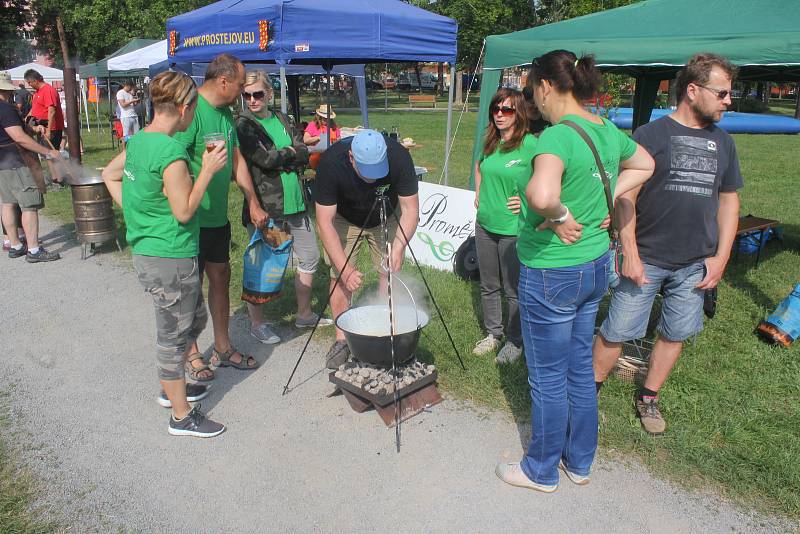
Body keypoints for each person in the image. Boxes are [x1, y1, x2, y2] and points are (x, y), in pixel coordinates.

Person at [495, 50, 654, 492]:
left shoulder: (556, 137)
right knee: (579, 369)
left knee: (547, 377)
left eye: (530, 92)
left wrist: (560, 214)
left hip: (552, 272)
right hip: (594, 266)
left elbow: (541, 193)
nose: (532, 100)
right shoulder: (605, 129)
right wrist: (609, 195)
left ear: (546, 86)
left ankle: (540, 470)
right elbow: (645, 164)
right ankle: (579, 462)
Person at [593, 53, 743, 435]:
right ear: (692, 91)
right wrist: (630, 252)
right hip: (647, 257)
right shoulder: (649, 136)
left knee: (675, 332)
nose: (729, 100)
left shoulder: (724, 143)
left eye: (730, 93)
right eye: (722, 92)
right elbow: (625, 197)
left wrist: (721, 257)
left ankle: (648, 397)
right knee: (617, 329)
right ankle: (587, 394)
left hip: (696, 263)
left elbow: (729, 201)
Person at [102, 71, 226, 437]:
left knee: (194, 320)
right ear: (186, 109)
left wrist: (139, 215)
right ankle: (181, 416)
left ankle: (174, 390)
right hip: (170, 256)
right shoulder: (171, 152)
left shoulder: (138, 141)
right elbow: (186, 211)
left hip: (151, 253)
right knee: (173, 335)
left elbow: (110, 175)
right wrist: (207, 170)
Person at [173, 53, 268, 380]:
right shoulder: (192, 111)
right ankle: (192, 352)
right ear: (224, 81)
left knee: (220, 276)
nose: (245, 91)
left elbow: (237, 160)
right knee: (189, 287)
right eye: (241, 85)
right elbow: (175, 161)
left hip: (216, 219)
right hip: (191, 219)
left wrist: (252, 200)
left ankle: (223, 347)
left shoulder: (226, 113)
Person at [236, 69, 334, 342]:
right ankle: (258, 323)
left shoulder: (280, 117)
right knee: (265, 265)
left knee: (311, 256)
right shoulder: (244, 125)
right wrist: (291, 152)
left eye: (257, 94)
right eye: (247, 95)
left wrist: (292, 153)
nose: (252, 100)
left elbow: (302, 151)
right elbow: (264, 159)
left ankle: (304, 314)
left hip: (296, 203)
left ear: (269, 93)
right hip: (268, 208)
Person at [315, 129, 419, 369]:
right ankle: (342, 339)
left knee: (388, 270)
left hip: (386, 216)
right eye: (366, 171)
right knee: (339, 276)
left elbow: (411, 210)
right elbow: (324, 222)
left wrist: (399, 247)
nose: (372, 178)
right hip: (343, 217)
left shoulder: (399, 157)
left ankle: (386, 332)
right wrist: (345, 269)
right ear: (351, 157)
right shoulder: (331, 163)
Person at [472, 88, 535, 364]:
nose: (499, 114)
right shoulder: (489, 142)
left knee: (513, 289)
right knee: (488, 285)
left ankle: (515, 341)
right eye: (496, 109)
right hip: (485, 225)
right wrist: (478, 192)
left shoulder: (531, 145)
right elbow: (480, 166)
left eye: (506, 110)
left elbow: (550, 177)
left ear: (518, 113)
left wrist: (525, 201)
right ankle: (493, 335)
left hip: (513, 229)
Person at [0, 70, 62, 262]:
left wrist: (35, 128)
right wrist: (47, 152)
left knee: (8, 203)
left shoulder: (8, 109)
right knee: (29, 205)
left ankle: (15, 245)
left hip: (2, 162)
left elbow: (18, 128)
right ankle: (34, 250)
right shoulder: (6, 109)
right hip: (16, 162)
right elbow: (19, 137)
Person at [23, 69, 64, 184]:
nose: (29, 85)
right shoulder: (37, 92)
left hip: (52, 128)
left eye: (30, 82)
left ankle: (59, 180)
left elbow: (51, 111)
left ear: (35, 80)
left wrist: (49, 130)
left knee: (52, 154)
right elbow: (35, 108)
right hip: (41, 127)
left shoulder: (48, 90)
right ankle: (54, 178)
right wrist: (26, 118)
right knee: (47, 155)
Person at [304, 104, 341, 170]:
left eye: (328, 118)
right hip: (317, 157)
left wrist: (335, 141)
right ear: (319, 117)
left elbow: (339, 141)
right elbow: (305, 140)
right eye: (325, 118)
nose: (326, 120)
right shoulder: (312, 125)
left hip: (332, 156)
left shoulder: (334, 127)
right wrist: (318, 138)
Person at [117, 81, 141, 148]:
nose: (131, 88)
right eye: (131, 87)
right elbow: (123, 105)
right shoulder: (120, 93)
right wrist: (132, 101)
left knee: (136, 135)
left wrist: (137, 101)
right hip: (126, 117)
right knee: (126, 135)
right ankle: (124, 150)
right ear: (127, 85)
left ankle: (135, 149)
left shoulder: (130, 93)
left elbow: (133, 105)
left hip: (134, 115)